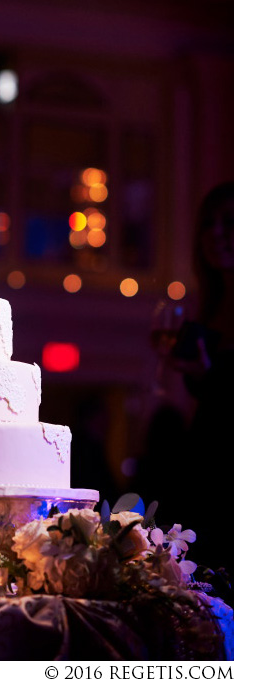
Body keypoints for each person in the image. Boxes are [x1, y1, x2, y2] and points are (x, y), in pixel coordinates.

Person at [167, 182, 233, 573]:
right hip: (207, 458)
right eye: (208, 225)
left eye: (228, 223)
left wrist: (213, 378)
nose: (216, 234)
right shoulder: (209, 307)